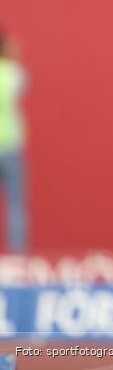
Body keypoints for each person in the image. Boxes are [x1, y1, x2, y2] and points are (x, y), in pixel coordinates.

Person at [0, 31, 28, 252]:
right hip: (11, 144)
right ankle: (17, 255)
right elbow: (26, 84)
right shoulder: (14, 74)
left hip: (11, 144)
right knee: (16, 203)